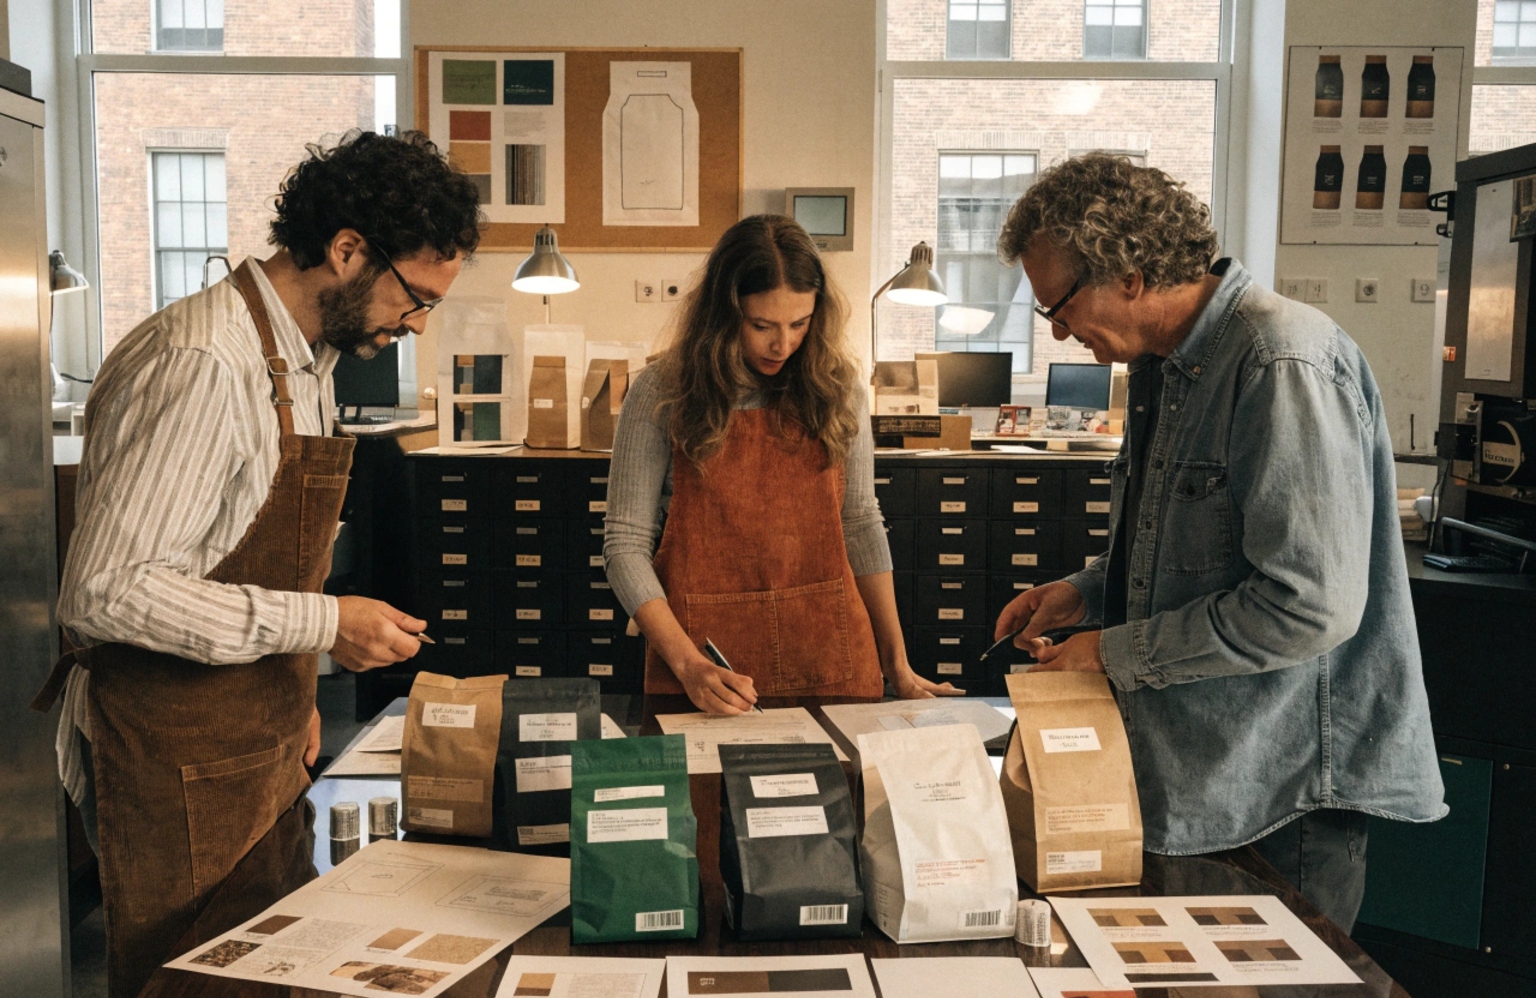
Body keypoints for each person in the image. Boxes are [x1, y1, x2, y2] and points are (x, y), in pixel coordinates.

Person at [36, 130, 483, 998]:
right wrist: (323, 627)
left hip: (258, 735)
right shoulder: (202, 360)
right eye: (416, 296)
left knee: (261, 975)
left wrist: (299, 684)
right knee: (188, 981)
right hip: (175, 754)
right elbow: (105, 591)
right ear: (348, 250)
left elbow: (257, 557)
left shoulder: (300, 362)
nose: (418, 323)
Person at [992, 154, 1445, 931]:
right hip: (1199, 775)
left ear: (1129, 272)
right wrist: (1086, 591)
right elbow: (1184, 547)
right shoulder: (1168, 369)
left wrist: (1112, 651)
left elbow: (1308, 607)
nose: (1061, 332)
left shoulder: (1280, 362)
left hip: (1280, 797)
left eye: (1060, 307)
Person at [604, 215, 956, 713]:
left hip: (830, 647)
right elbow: (624, 544)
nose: (783, 345)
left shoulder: (838, 388)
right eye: (761, 325)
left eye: (799, 323)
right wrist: (687, 664)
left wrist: (896, 661)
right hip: (705, 661)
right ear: (724, 315)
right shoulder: (662, 391)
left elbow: (859, 522)